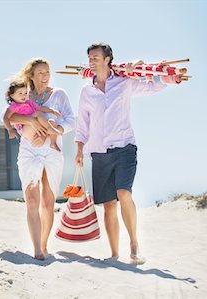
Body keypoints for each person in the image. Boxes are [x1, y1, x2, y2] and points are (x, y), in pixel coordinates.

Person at [74, 43, 181, 265]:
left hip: (124, 147)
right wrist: (79, 149)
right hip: (99, 152)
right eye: (89, 58)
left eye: (95, 58)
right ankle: (114, 254)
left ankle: (134, 246)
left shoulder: (124, 82)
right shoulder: (87, 91)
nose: (91, 62)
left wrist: (169, 76)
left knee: (124, 193)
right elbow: (83, 123)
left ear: (107, 59)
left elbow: (150, 85)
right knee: (109, 204)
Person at [4, 58, 75, 260]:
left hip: (52, 152)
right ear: (32, 76)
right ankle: (37, 249)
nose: (44, 77)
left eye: (47, 72)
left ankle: (44, 244)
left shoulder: (59, 94)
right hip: (28, 151)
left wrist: (50, 132)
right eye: (40, 73)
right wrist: (29, 121)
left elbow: (71, 120)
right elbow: (7, 116)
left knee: (47, 203)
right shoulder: (23, 94)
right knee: (32, 201)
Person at [3, 79, 63, 152]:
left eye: (25, 93)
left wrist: (51, 110)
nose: (23, 95)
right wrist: (10, 130)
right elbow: (5, 118)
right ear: (12, 95)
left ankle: (53, 143)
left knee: (52, 122)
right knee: (38, 114)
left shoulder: (29, 103)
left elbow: (39, 108)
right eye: (20, 93)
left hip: (35, 126)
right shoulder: (14, 106)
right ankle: (49, 129)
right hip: (25, 129)